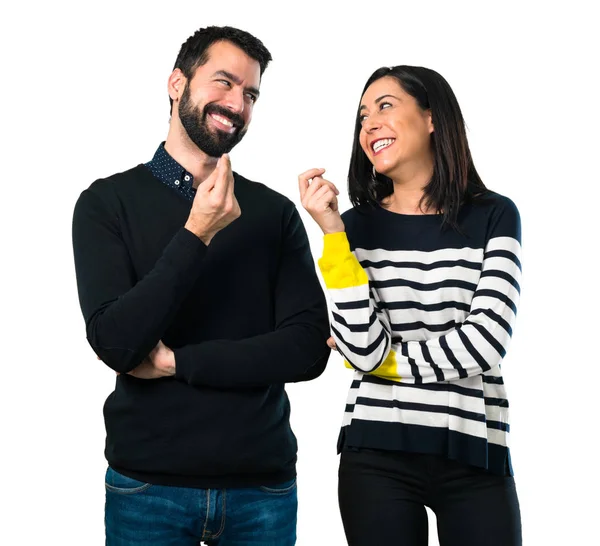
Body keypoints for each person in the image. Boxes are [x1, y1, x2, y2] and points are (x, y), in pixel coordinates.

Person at [72, 26, 330, 546]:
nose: (237, 103)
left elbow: (307, 352)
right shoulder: (106, 203)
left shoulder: (273, 212)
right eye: (224, 82)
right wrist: (197, 232)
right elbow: (117, 343)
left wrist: (176, 362)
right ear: (176, 83)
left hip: (263, 488)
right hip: (147, 487)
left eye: (250, 94)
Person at [299, 65, 522, 546]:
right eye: (362, 116)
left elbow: (486, 341)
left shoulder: (494, 215)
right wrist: (334, 234)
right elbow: (360, 348)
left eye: (385, 106)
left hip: (475, 449)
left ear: (431, 118)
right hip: (375, 452)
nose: (369, 125)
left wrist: (387, 361)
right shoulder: (352, 229)